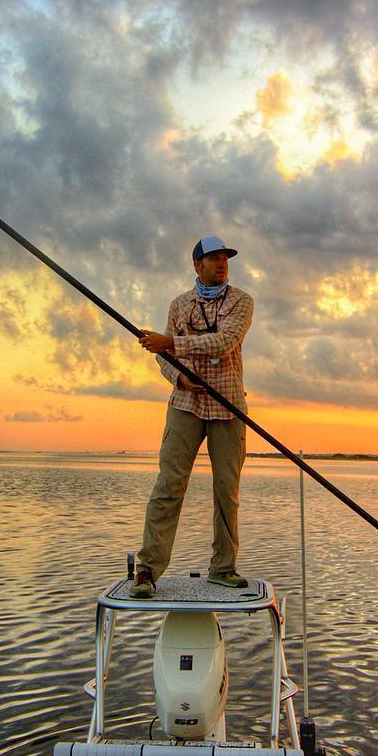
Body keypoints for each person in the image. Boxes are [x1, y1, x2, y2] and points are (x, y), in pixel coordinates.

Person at [130, 236, 254, 598]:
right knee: (169, 484)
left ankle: (223, 568)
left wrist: (171, 344)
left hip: (228, 405)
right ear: (196, 265)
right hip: (184, 404)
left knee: (226, 491)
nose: (222, 264)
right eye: (213, 258)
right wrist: (178, 374)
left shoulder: (241, 301)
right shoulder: (179, 304)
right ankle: (148, 570)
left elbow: (225, 341)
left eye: (225, 259)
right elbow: (162, 358)